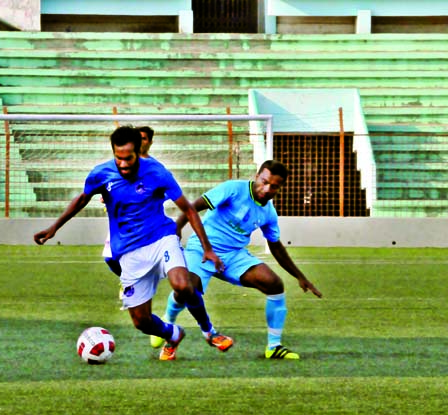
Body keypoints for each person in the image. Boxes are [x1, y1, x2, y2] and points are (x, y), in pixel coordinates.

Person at [34, 125, 234, 361]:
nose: (124, 164)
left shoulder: (157, 172)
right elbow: (82, 199)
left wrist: (207, 248)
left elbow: (188, 209)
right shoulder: (101, 174)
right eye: (118, 158)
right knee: (142, 322)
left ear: (138, 151)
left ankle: (209, 331)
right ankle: (173, 333)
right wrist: (54, 227)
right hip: (128, 252)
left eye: (128, 158)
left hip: (161, 238)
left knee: (183, 285)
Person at [151, 160, 323, 359]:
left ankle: (274, 347)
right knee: (188, 289)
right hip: (202, 249)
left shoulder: (268, 213)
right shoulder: (233, 189)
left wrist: (300, 277)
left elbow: (276, 246)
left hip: (233, 256)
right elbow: (193, 207)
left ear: (280, 188)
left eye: (274, 186)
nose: (267, 189)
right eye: (264, 181)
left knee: (274, 284)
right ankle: (169, 322)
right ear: (257, 176)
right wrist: (178, 228)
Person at [102, 126, 155, 279]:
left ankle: (133, 283)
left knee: (135, 257)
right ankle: (128, 279)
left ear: (150, 142)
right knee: (110, 258)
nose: (141, 142)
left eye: (144, 138)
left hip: (141, 220)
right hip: (120, 219)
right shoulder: (120, 165)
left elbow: (162, 193)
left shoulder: (153, 168)